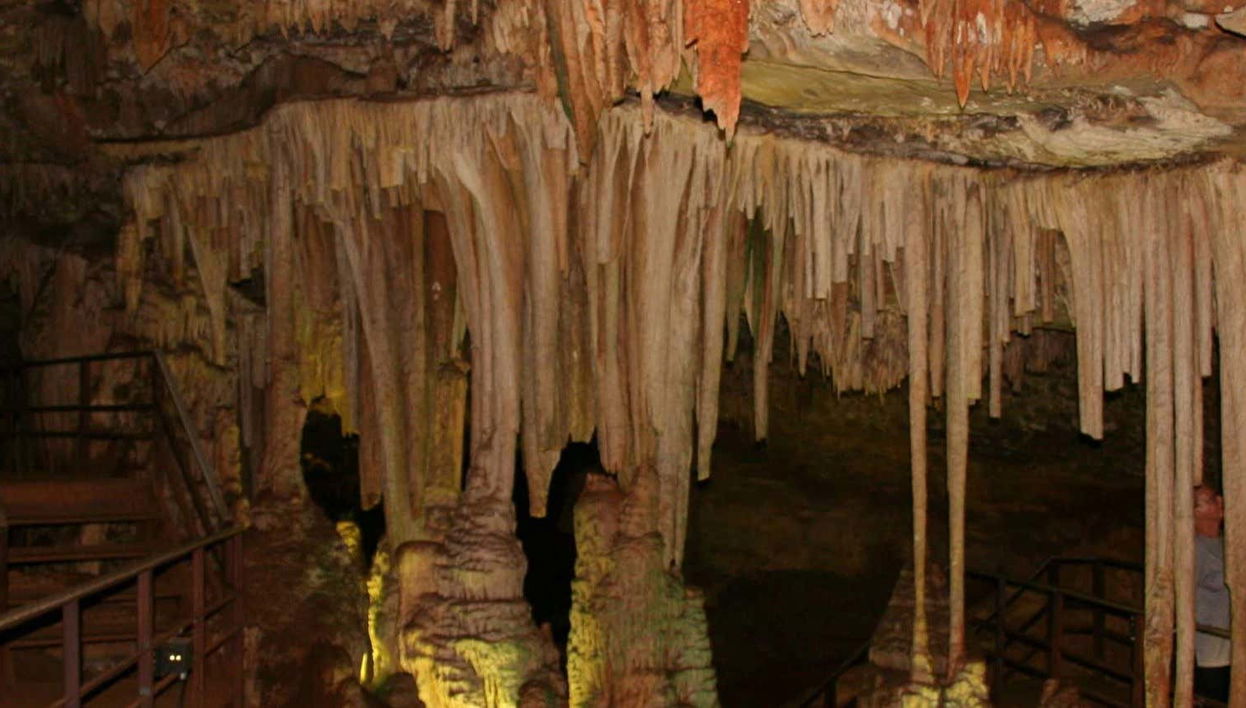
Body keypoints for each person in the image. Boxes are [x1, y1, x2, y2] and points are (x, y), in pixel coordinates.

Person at [1195, 484, 1231, 703]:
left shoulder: (1229, 542)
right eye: (1209, 500)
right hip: (1209, 652)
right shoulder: (1194, 549)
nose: (1219, 502)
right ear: (1194, 512)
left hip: (1234, 646)